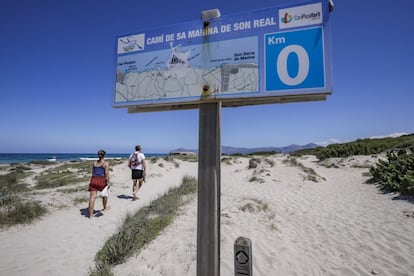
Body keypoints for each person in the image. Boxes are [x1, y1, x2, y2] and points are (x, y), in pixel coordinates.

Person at [88, 150, 110, 218]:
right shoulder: (105, 163)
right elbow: (107, 174)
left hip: (94, 179)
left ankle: (91, 215)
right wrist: (108, 183)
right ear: (104, 155)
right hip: (102, 180)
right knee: (105, 195)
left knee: (92, 197)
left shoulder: (94, 162)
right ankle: (104, 207)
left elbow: (93, 172)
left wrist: (91, 180)